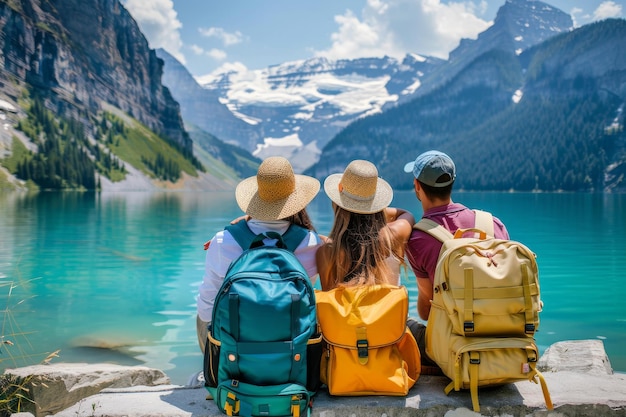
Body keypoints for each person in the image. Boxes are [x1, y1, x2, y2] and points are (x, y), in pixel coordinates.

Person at [196, 156, 324, 353]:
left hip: (234, 357)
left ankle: (213, 370)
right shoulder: (313, 243)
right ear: (296, 200)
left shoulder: (222, 242)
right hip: (292, 355)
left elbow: (206, 309)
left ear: (256, 198)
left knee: (204, 312)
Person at [403, 150, 510, 368]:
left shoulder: (418, 239)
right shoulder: (493, 224)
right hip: (504, 343)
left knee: (400, 325)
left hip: (454, 349)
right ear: (452, 183)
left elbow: (426, 311)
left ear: (417, 186)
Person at [316, 159, 415, 290]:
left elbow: (329, 300)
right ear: (375, 204)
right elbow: (406, 214)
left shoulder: (327, 252)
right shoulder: (393, 237)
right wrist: (373, 211)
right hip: (389, 310)